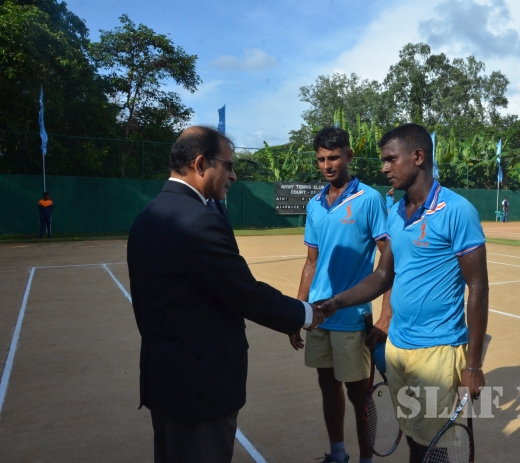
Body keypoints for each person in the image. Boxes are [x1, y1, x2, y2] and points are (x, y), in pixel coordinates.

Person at [127, 126, 325, 463]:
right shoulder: (199, 220)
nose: (233, 175)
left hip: (165, 380)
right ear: (201, 164)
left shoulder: (148, 215)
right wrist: (306, 314)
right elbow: (244, 292)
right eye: (228, 165)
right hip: (201, 389)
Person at [318, 123, 489, 463]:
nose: (384, 168)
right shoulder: (396, 213)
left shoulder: (457, 210)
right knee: (414, 439)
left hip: (438, 351)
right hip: (398, 347)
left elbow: (478, 288)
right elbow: (383, 275)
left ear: (418, 157)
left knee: (432, 448)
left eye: (391, 159)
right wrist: (337, 302)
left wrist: (472, 365)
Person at [289, 127, 390, 463]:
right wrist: (298, 312)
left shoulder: (369, 199)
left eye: (333, 157)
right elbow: (310, 263)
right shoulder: (315, 205)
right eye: (321, 159)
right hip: (319, 316)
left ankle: (366, 460)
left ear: (348, 155)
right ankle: (337, 455)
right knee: (327, 386)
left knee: (359, 396)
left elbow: (389, 264)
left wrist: (385, 317)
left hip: (352, 317)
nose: (327, 165)